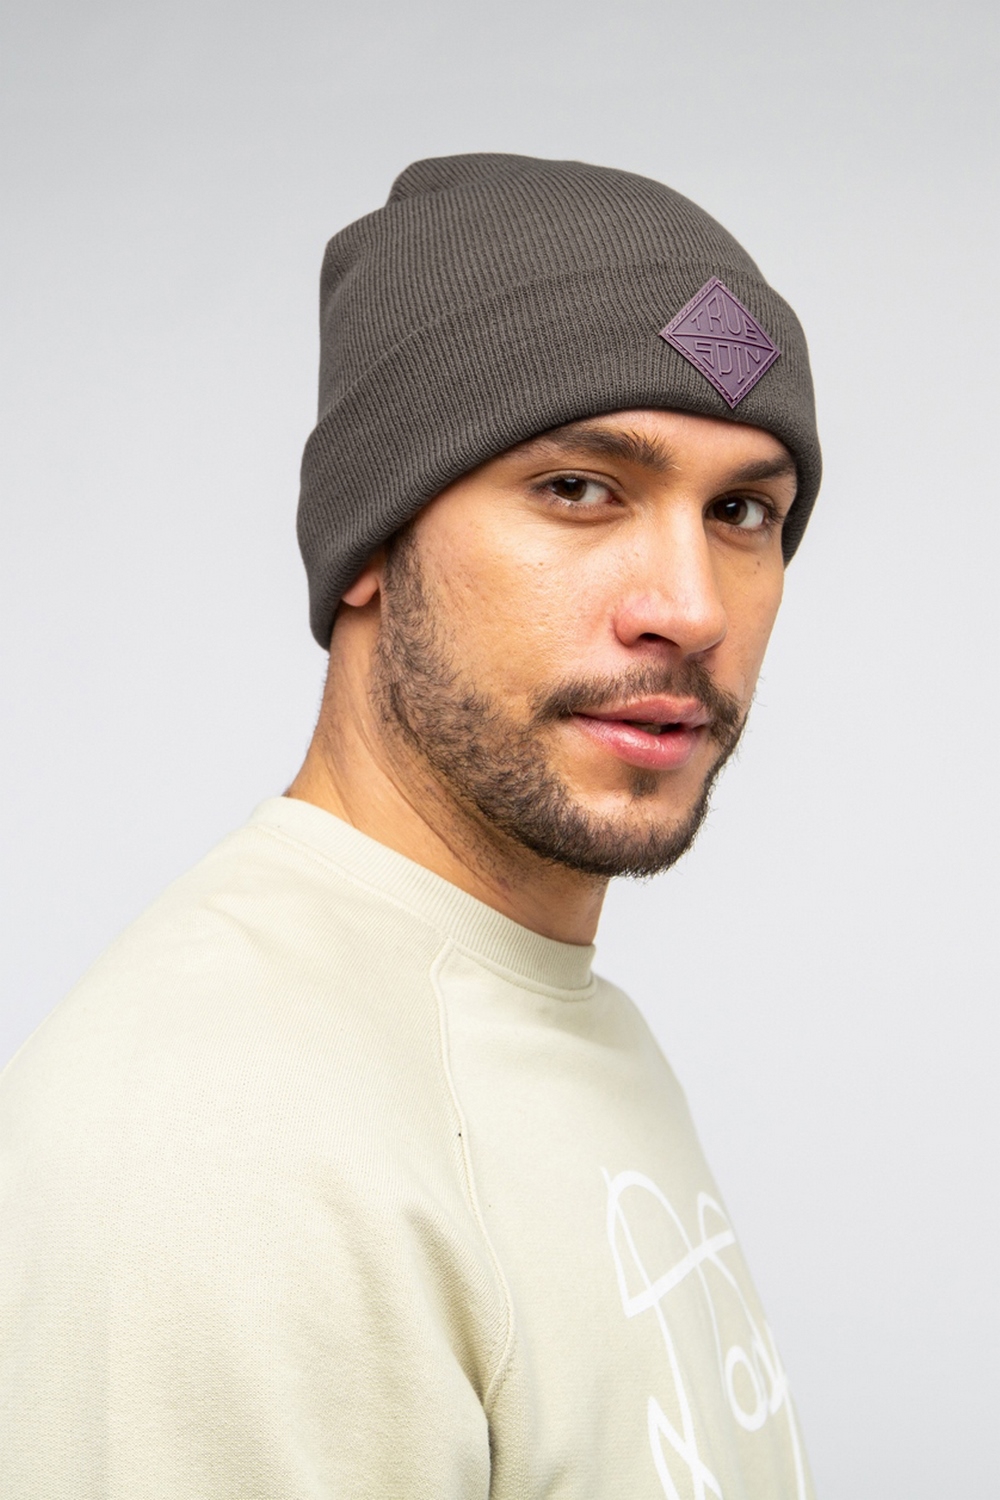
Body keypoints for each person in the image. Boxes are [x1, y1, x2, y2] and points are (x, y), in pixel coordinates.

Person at [0, 153, 822, 1498]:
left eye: (742, 511)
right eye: (580, 489)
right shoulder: (222, 1139)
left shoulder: (543, 1014)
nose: (688, 607)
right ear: (371, 541)